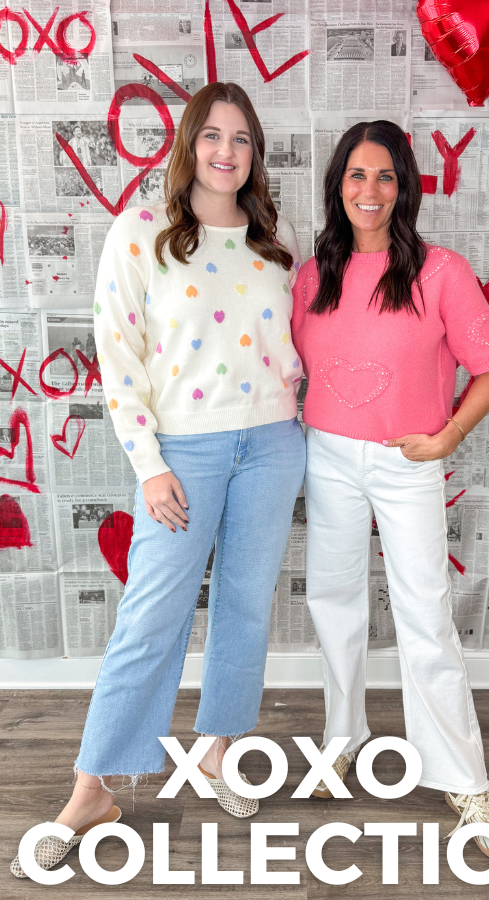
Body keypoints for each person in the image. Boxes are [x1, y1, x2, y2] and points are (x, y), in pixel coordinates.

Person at [11, 81, 306, 879]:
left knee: (245, 605)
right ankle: (92, 789)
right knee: (150, 618)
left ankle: (217, 751)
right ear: (188, 144)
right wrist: (150, 466)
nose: (226, 152)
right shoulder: (141, 232)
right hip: (184, 454)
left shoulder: (275, 241)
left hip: (274, 444)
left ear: (255, 153)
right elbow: (119, 355)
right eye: (212, 135)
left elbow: (295, 346)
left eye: (241, 139)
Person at [292, 120, 489, 863]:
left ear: (404, 187)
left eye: (385, 176)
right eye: (357, 175)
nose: (370, 190)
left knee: (425, 613)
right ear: (338, 186)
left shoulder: (441, 271)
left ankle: (464, 781)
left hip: (407, 460)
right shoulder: (312, 275)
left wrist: (448, 437)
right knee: (334, 602)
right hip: (327, 456)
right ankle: (342, 740)